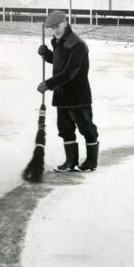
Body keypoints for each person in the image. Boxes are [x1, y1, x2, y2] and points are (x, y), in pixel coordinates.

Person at [37, 10, 99, 172]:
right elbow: (60, 64)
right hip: (62, 95)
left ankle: (91, 162)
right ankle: (70, 162)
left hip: (78, 96)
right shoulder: (60, 42)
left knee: (87, 128)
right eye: (52, 28)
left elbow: (70, 72)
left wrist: (48, 84)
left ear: (66, 23)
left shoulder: (77, 44)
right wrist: (47, 55)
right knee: (65, 130)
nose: (55, 30)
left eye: (58, 26)